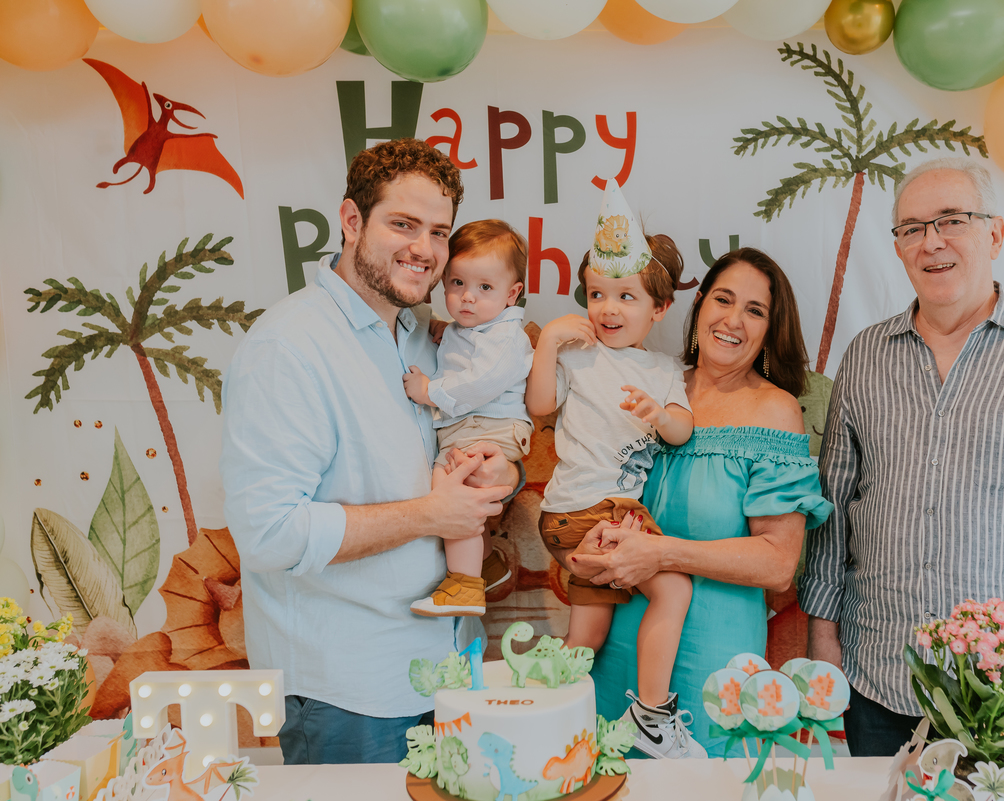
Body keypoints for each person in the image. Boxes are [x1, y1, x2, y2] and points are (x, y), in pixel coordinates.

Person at [799, 157, 1004, 757]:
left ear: (994, 233)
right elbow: (833, 510)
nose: (932, 242)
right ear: (899, 247)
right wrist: (823, 645)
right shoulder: (865, 357)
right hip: (876, 679)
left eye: (952, 220)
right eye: (912, 228)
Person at [220, 139, 518, 765]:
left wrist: (500, 469)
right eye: (402, 224)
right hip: (350, 695)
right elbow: (271, 533)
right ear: (351, 221)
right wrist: (431, 515)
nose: (424, 249)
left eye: (439, 232)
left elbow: (473, 436)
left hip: (447, 669)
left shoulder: (423, 337)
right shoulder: (289, 346)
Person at [576, 248, 834, 756]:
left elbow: (778, 564)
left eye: (755, 311)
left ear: (768, 329)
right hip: (619, 637)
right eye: (723, 299)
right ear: (699, 307)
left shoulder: (775, 410)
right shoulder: (656, 383)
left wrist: (662, 553)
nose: (733, 320)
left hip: (716, 659)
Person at [527, 186, 699, 759]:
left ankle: (546, 717)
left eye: (626, 296)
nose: (608, 309)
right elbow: (540, 407)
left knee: (589, 638)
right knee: (672, 586)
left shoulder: (665, 368)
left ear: (660, 308)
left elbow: (681, 428)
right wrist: (550, 340)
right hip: (588, 510)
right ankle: (652, 719)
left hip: (593, 517)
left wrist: (657, 414)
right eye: (598, 295)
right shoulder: (579, 356)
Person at [404, 219, 534, 617]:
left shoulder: (508, 336)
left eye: (485, 288)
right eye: (457, 284)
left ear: (512, 294)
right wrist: (448, 331)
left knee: (449, 490)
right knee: (457, 492)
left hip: (489, 425)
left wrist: (430, 392)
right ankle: (485, 565)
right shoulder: (472, 327)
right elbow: (465, 350)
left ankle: (464, 586)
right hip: (479, 426)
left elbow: (481, 381)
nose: (467, 299)